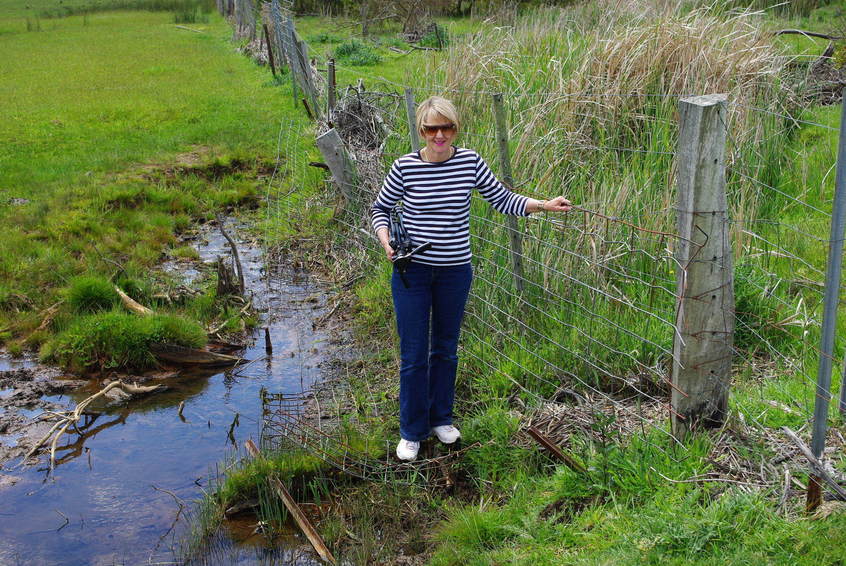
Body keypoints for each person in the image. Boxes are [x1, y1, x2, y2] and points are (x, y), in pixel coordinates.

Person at [370, 96, 572, 461]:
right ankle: (411, 432)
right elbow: (380, 209)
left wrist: (543, 205)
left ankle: (440, 419)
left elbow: (503, 199)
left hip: (455, 272)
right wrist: (386, 241)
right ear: (422, 131)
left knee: (445, 349)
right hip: (411, 272)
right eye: (432, 128)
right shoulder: (404, 168)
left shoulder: (470, 163)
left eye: (447, 127)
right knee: (414, 354)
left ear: (455, 129)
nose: (440, 135)